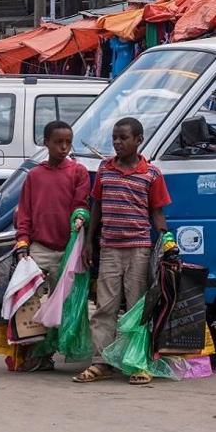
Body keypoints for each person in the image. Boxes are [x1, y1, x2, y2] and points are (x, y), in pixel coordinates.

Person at [75, 117, 171, 386]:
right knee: (104, 307)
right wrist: (90, 241)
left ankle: (137, 362)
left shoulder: (151, 174)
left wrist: (166, 243)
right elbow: (97, 207)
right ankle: (101, 362)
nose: (117, 142)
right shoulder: (105, 169)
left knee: (137, 307)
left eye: (123, 138)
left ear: (138, 140)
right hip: (109, 249)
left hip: (139, 249)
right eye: (115, 138)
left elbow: (157, 213)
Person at [13, 120, 90, 372]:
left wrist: (80, 217)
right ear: (45, 142)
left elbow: (82, 203)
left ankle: (57, 348)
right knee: (29, 302)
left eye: (68, 142)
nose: (64, 147)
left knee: (63, 302)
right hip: (39, 248)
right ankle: (35, 351)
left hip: (68, 249)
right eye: (58, 142)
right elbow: (24, 213)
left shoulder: (78, 172)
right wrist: (22, 242)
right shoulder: (34, 175)